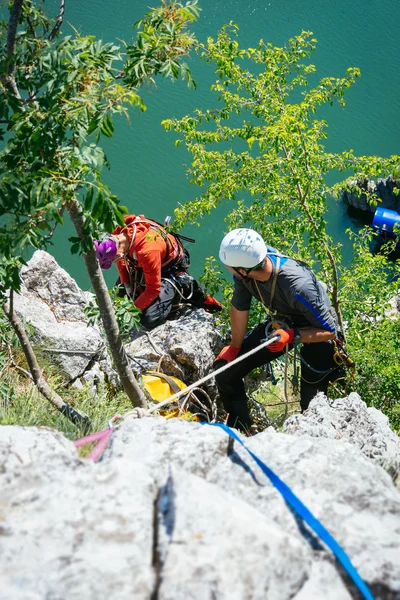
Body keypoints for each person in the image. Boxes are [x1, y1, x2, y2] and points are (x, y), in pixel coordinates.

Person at [214, 228, 345, 432]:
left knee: (310, 405)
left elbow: (330, 331)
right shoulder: (247, 271)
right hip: (283, 322)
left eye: (229, 266)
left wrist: (294, 336)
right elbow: (239, 308)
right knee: (225, 372)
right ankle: (242, 429)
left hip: (316, 331)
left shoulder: (298, 285)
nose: (228, 269)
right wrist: (234, 347)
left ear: (242, 269)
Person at [94, 214, 223, 329]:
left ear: (118, 253)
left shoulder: (147, 251)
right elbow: (121, 263)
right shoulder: (118, 232)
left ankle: (183, 291)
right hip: (146, 261)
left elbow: (152, 291)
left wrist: (129, 311)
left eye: (115, 259)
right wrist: (127, 286)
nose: (117, 262)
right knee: (120, 292)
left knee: (149, 319)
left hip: (168, 269)